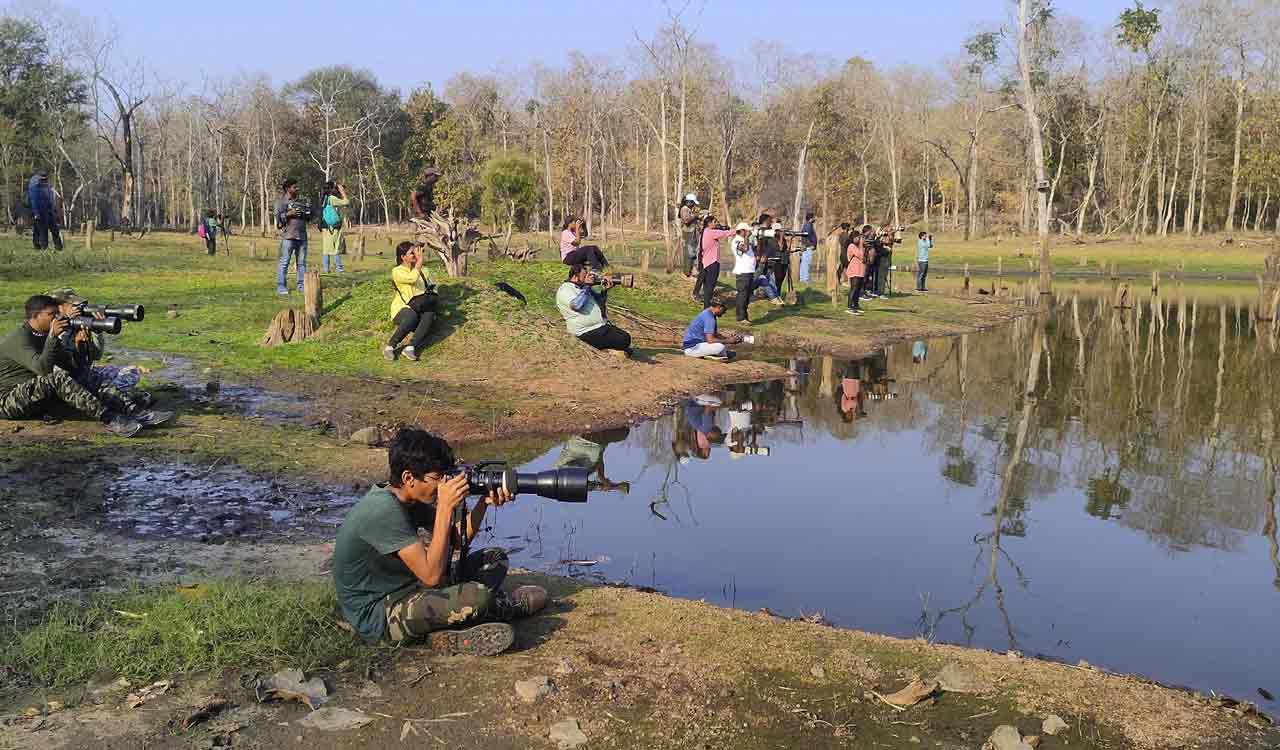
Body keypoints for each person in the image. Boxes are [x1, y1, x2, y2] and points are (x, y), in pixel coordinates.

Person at [332, 427, 548, 652]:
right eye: (437, 478)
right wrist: (445, 506)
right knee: (479, 596)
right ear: (409, 478)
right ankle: (501, 608)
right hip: (380, 616)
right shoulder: (383, 510)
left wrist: (484, 502)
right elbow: (432, 576)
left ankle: (447, 624)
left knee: (495, 559)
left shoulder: (408, 498)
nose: (444, 484)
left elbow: (454, 538)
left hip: (410, 587)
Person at [0, 296, 158, 436]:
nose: (57, 318)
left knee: (82, 374)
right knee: (56, 378)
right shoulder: (19, 339)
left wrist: (79, 345)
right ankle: (110, 419)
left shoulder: (43, 334)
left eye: (57, 313)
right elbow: (43, 370)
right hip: (9, 402)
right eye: (51, 315)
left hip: (35, 398)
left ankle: (131, 409)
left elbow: (72, 367)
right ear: (34, 316)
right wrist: (53, 337)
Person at [556, 263, 631, 358]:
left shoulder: (583, 288)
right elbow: (576, 306)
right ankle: (606, 349)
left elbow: (600, 304)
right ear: (575, 276)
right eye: (584, 275)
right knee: (624, 339)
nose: (587, 277)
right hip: (584, 332)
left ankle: (609, 348)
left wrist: (604, 291)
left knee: (624, 339)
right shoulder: (566, 288)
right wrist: (587, 286)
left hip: (598, 327)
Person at [384, 242, 437, 362]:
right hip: (402, 308)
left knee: (430, 313)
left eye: (416, 252)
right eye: (412, 253)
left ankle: (410, 347)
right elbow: (412, 279)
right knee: (411, 315)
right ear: (403, 257)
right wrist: (419, 263)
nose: (416, 255)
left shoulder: (424, 270)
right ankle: (390, 347)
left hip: (420, 306)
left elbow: (433, 285)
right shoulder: (397, 271)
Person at [731, 222, 782, 325]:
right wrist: (747, 237)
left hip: (749, 272)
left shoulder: (745, 240)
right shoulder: (736, 240)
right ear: (741, 231)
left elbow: (757, 253)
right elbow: (744, 249)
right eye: (747, 230)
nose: (750, 232)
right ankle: (740, 318)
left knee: (746, 296)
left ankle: (744, 317)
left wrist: (759, 239)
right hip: (742, 272)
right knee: (742, 295)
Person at [273, 178, 312, 295]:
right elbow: (278, 221)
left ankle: (302, 286)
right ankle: (281, 286)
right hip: (288, 237)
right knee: (284, 262)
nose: (297, 189)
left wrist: (306, 213)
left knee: (302, 263)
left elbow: (309, 217)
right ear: (288, 189)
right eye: (295, 187)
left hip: (302, 237)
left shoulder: (302, 202)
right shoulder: (280, 202)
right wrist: (289, 214)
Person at [697, 215, 736, 309]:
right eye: (715, 222)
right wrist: (738, 231)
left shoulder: (704, 232)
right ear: (709, 223)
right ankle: (707, 307)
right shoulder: (711, 232)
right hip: (712, 263)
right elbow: (725, 233)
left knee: (707, 286)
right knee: (710, 286)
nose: (716, 224)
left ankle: (707, 306)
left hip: (706, 263)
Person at [319, 182, 351, 273]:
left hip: (326, 227)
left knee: (326, 249)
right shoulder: (332, 198)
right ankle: (339, 269)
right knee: (336, 247)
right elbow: (346, 202)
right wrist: (342, 192)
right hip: (333, 228)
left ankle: (326, 269)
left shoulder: (324, 198)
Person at [27, 169, 62, 251]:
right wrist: (36, 213)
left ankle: (58, 248)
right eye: (43, 179)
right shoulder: (34, 187)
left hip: (49, 211)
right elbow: (33, 201)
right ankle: (43, 248)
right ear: (39, 178)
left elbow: (50, 199)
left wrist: (54, 210)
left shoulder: (47, 186)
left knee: (54, 230)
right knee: (42, 231)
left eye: (45, 178)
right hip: (39, 212)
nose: (45, 180)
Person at [678, 194, 701, 281]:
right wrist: (695, 216)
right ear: (689, 202)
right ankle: (686, 274)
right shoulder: (684, 209)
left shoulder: (689, 209)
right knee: (688, 253)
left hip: (692, 232)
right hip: (688, 233)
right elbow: (686, 220)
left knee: (693, 253)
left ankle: (691, 272)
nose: (694, 205)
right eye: (693, 203)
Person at [845, 234, 868, 316]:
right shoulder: (851, 246)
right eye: (857, 237)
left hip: (861, 271)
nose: (859, 239)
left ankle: (856, 305)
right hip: (854, 270)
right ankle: (850, 306)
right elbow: (860, 255)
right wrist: (861, 245)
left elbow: (865, 257)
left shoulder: (861, 247)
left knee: (858, 289)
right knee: (854, 288)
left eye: (860, 238)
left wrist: (863, 246)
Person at [798, 212, 818, 283]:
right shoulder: (808, 225)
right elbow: (806, 236)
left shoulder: (808, 225)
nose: (815, 219)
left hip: (806, 246)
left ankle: (803, 278)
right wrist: (811, 244)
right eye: (813, 217)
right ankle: (805, 279)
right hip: (807, 247)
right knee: (806, 263)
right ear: (811, 218)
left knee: (804, 262)